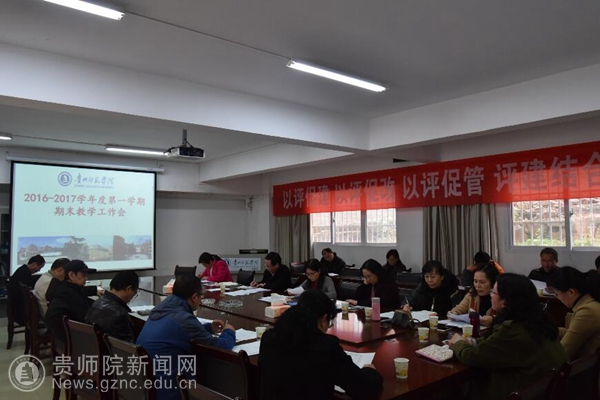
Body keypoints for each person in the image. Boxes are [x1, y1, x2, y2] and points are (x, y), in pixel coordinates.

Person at [449, 273, 566, 400]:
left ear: (505, 301)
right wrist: (473, 342)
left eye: (494, 292)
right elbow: (495, 343)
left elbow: (473, 357)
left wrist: (458, 343)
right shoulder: (538, 321)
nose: (491, 295)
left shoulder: (514, 331)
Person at [259, 290, 383, 400]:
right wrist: (370, 371)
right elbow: (365, 390)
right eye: (329, 323)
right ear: (323, 319)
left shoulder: (269, 337)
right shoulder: (325, 347)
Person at [137, 275, 235, 400]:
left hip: (146, 386)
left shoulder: (162, 307)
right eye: (201, 296)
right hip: (169, 389)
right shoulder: (184, 318)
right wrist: (229, 331)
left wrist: (208, 328)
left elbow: (179, 330)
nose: (201, 300)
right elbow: (221, 346)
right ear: (194, 297)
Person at [546, 266, 600, 361]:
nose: (557, 297)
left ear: (571, 292)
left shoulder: (587, 311)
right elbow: (573, 332)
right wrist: (546, 330)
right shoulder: (588, 303)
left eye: (557, 294)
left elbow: (565, 350)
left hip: (587, 367)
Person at [45, 260, 97, 345]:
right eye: (83, 275)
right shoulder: (69, 294)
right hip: (75, 340)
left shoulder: (64, 289)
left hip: (64, 337)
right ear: (72, 275)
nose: (86, 278)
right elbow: (86, 317)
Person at [85, 271, 140, 343]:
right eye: (135, 292)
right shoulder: (120, 315)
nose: (133, 296)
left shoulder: (97, 302)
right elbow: (128, 347)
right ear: (129, 289)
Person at [9, 254, 45, 325]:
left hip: (15, 306)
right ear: (34, 264)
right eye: (40, 267)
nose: (39, 270)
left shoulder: (22, 270)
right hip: (20, 310)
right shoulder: (25, 273)